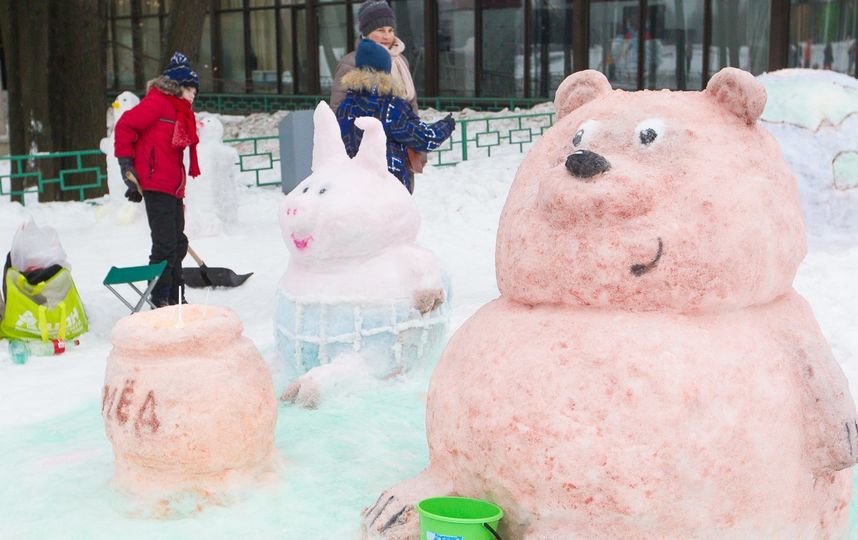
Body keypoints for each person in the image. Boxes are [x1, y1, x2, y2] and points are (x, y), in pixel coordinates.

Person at [114, 52, 201, 308]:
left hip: (173, 187)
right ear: (177, 87)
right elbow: (124, 126)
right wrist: (126, 165)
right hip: (155, 183)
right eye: (190, 88)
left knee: (178, 243)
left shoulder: (180, 111)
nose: (194, 94)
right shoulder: (158, 104)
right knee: (164, 245)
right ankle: (160, 298)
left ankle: (176, 296)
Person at [335, 39, 455, 194]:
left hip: (352, 188)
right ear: (386, 70)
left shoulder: (345, 108)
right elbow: (424, 138)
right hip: (388, 189)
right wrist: (447, 125)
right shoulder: (390, 107)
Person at [330, 1, 429, 181]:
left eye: (390, 30)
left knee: (401, 199)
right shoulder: (351, 63)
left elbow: (411, 104)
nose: (387, 36)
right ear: (365, 33)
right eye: (381, 30)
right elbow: (338, 110)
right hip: (367, 149)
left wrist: (417, 142)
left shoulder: (401, 62)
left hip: (402, 147)